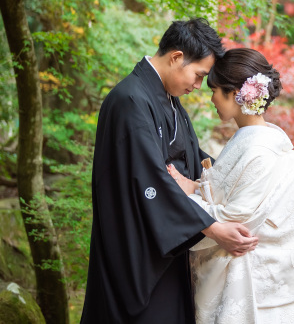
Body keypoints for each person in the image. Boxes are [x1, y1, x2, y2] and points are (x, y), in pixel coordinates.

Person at [81, 19, 259, 324]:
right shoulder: (129, 101)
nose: (198, 86)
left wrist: (236, 176)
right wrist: (213, 228)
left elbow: (196, 162)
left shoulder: (169, 101)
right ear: (176, 57)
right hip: (136, 247)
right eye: (199, 75)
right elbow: (149, 180)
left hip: (169, 242)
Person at [168, 48, 294, 323]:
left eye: (215, 89)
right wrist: (193, 188)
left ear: (237, 93)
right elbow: (220, 197)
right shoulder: (252, 141)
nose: (210, 96)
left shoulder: (260, 151)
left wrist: (179, 197)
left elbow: (234, 222)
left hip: (253, 287)